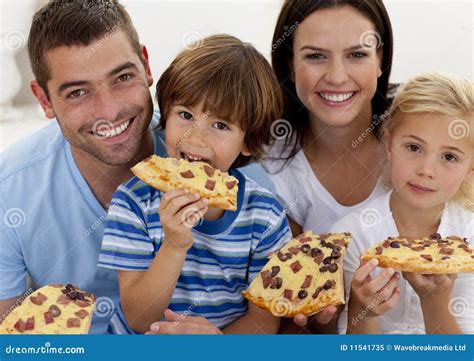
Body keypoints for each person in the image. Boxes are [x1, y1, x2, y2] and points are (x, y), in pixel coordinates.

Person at [97, 34, 293, 334]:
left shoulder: (264, 217)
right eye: (186, 115)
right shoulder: (132, 202)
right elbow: (139, 319)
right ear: (165, 116)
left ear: (249, 142)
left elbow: (264, 322)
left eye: (221, 125)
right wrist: (175, 245)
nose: (196, 138)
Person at [0, 0, 163, 333]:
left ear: (145, 66)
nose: (109, 111)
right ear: (44, 100)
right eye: (77, 92)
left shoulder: (224, 166)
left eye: (122, 77)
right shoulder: (8, 191)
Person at [260, 0, 395, 332]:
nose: (337, 76)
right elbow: (295, 323)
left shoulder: (421, 140)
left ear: (381, 60)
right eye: (315, 56)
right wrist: (324, 316)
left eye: (357, 54)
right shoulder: (269, 166)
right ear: (289, 63)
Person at [331, 72, 474, 334]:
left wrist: (435, 304)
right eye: (413, 148)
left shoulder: (469, 244)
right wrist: (364, 312)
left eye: (450, 157)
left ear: (471, 169)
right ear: (389, 145)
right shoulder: (353, 236)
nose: (427, 170)